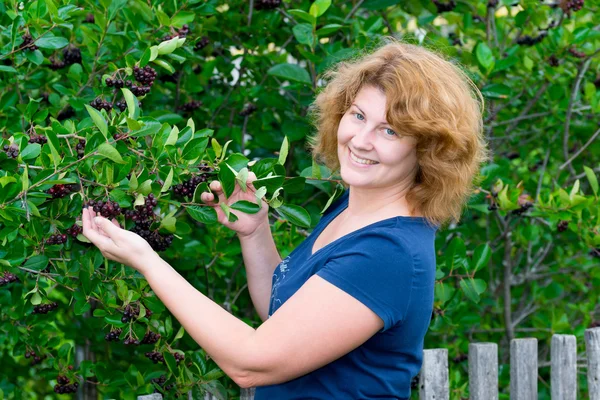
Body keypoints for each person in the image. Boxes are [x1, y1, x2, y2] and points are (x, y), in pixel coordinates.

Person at [82, 37, 488, 399]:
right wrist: (256, 231)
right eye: (359, 116)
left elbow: (252, 363)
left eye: (390, 131)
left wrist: (148, 261)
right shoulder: (351, 207)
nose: (361, 140)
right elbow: (284, 317)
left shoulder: (389, 253)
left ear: (429, 149)